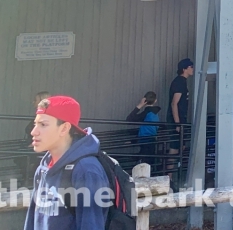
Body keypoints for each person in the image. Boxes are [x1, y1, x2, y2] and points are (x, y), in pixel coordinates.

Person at [25, 96, 110, 230]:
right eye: (35, 123)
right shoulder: (43, 167)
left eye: (43, 124)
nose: (33, 131)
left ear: (64, 129)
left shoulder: (86, 170)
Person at [167, 58, 194, 171]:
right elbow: (174, 103)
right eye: (191, 67)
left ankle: (176, 173)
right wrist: (177, 123)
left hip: (182, 119)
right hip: (177, 121)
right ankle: (169, 177)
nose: (193, 69)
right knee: (174, 148)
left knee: (181, 147)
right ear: (184, 69)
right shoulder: (179, 82)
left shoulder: (183, 82)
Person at [125, 91, 161, 162]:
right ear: (155, 101)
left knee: (144, 162)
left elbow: (129, 119)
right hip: (152, 140)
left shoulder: (146, 113)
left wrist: (139, 105)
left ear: (144, 100)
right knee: (150, 162)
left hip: (145, 141)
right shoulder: (156, 113)